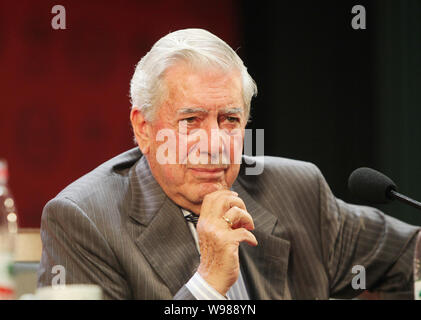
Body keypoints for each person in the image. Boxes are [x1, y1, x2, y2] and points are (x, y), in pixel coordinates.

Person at [37, 28, 420, 300]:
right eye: (191, 121)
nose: (215, 144)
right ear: (144, 128)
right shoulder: (84, 219)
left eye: (230, 121)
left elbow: (408, 256)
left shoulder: (294, 190)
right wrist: (208, 283)